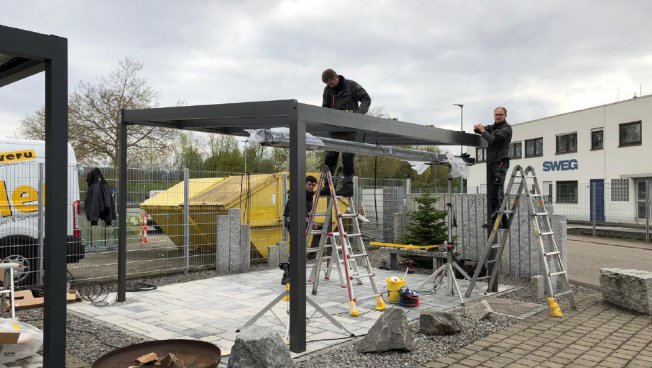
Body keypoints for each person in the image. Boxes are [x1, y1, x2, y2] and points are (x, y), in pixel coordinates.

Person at [320, 68, 371, 197]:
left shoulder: (351, 86)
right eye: (328, 85)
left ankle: (348, 187)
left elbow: (366, 99)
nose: (330, 86)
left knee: (347, 157)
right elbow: (325, 107)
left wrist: (357, 116)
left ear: (336, 77)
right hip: (334, 128)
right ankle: (327, 186)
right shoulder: (327, 90)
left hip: (349, 128)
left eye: (331, 83)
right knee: (330, 157)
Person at [474, 106, 512, 227]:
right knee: (493, 192)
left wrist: (483, 131)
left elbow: (493, 141)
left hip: (500, 162)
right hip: (492, 162)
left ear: (505, 115)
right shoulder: (493, 127)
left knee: (497, 193)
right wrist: (478, 127)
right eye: (496, 114)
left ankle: (495, 220)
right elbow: (480, 130)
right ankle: (504, 222)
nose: (498, 116)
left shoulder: (506, 129)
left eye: (500, 114)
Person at [283, 176, 321, 250]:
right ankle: (296, 258)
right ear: (304, 184)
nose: (311, 187)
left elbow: (307, 211)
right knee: (297, 240)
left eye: (313, 185)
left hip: (303, 220)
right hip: (292, 220)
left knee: (319, 227)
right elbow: (292, 208)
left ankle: (312, 254)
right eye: (309, 184)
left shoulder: (310, 195)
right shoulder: (297, 193)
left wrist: (310, 221)